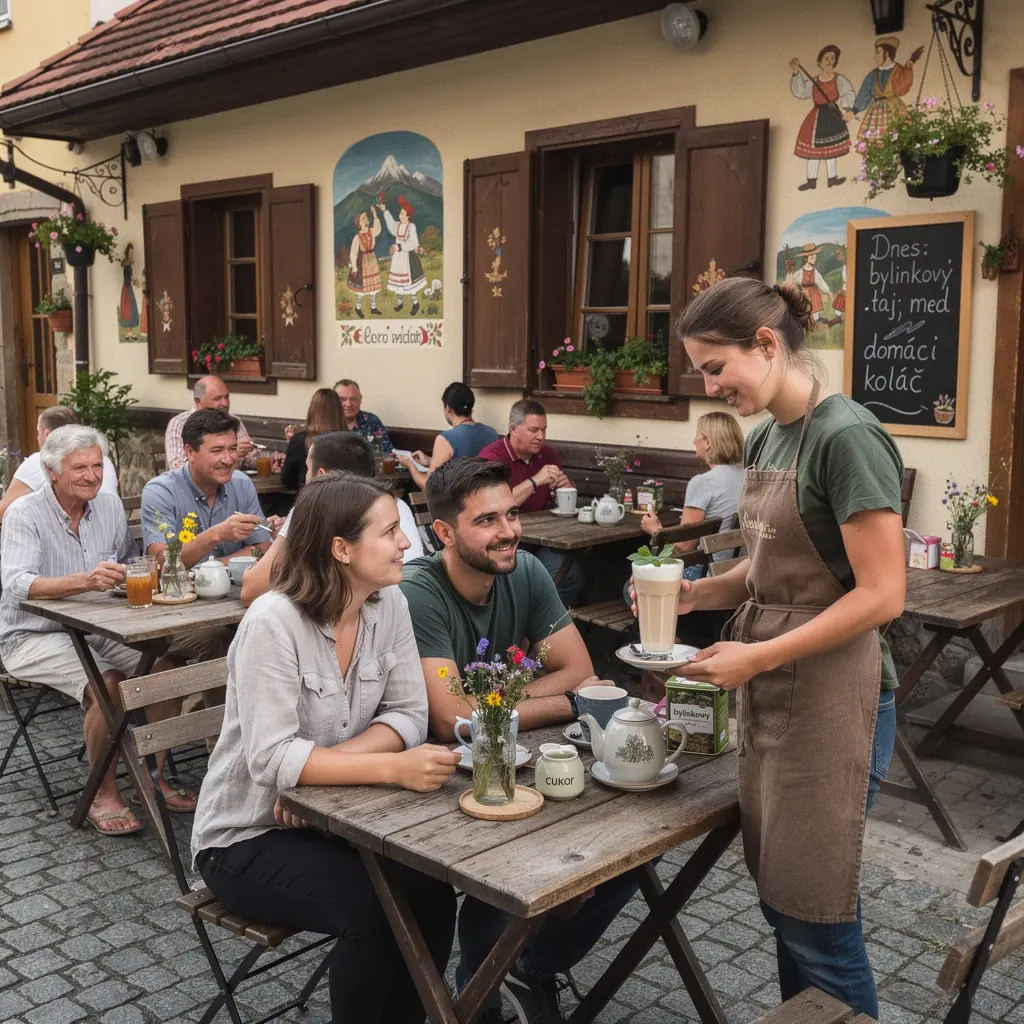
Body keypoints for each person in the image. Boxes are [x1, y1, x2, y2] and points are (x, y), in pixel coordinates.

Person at [649, 276, 905, 1017]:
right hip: (779, 690)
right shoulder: (768, 435)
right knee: (783, 906)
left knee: (818, 915)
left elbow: (883, 594)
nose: (709, 385)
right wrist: (698, 593)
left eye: (714, 366)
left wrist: (757, 656)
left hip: (838, 696)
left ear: (766, 344)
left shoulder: (845, 437)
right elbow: (763, 571)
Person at [191, 472, 460, 1024]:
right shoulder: (274, 621)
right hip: (247, 836)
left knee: (433, 891)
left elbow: (409, 714)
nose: (406, 543)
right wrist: (390, 769)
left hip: (336, 820)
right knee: (375, 911)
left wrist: (318, 779)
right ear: (341, 548)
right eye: (389, 532)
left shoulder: (390, 605)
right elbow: (270, 761)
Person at [400, 458, 636, 1024]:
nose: (507, 530)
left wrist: (502, 701)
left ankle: (533, 968)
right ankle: (477, 1002)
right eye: (486, 521)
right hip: (435, 783)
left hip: (520, 763)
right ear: (445, 533)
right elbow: (450, 717)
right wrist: (567, 702)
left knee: (625, 862)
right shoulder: (418, 591)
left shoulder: (525, 570)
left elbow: (579, 667)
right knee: (503, 875)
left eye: (510, 514)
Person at [0, 426, 196, 835]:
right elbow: (17, 585)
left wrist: (128, 574)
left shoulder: (107, 507)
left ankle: (153, 776)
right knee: (107, 684)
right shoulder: (25, 513)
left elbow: (128, 560)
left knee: (170, 668)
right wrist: (84, 581)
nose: (92, 476)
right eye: (80, 468)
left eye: (97, 466)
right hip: (33, 633)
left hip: (99, 626)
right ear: (52, 472)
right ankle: (103, 791)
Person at [242, 431, 423, 605]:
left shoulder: (315, 509)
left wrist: (289, 529)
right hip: (415, 605)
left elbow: (252, 589)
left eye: (307, 468)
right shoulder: (396, 504)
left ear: (321, 476)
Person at [477, 400, 582, 605]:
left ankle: (545, 627)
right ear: (513, 429)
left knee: (572, 575)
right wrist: (535, 481)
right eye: (534, 430)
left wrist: (565, 486)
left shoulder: (547, 454)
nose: (540, 437)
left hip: (544, 539)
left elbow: (561, 496)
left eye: (543, 430)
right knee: (545, 577)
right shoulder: (492, 457)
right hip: (504, 541)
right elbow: (492, 506)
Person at [144, 410, 272, 569]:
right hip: (180, 593)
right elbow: (161, 562)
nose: (228, 459)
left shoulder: (241, 484)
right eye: (217, 451)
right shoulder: (160, 491)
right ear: (190, 452)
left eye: (232, 449)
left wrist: (208, 568)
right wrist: (216, 534)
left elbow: (262, 548)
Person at [638, 411, 745, 580]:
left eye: (697, 434)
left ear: (708, 442)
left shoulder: (702, 483)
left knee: (629, 587)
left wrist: (656, 530)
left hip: (707, 575)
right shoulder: (748, 476)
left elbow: (683, 547)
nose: (694, 440)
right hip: (740, 573)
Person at [0, 406, 119, 523]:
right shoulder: (103, 459)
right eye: (80, 467)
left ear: (47, 434)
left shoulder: (38, 460)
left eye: (38, 432)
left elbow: (4, 512)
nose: (91, 477)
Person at [397, 381, 499, 490]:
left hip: (457, 503)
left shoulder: (446, 439)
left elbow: (430, 487)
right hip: (487, 500)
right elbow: (465, 466)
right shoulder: (492, 434)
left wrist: (410, 466)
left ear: (447, 408)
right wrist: (430, 461)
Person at [165, 376, 274, 473]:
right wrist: (230, 452)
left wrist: (272, 460)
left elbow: (248, 460)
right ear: (198, 402)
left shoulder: (232, 420)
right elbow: (177, 467)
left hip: (232, 488)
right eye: (218, 398)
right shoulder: (179, 424)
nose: (225, 403)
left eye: (226, 397)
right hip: (191, 492)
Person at [788, 45, 855, 190]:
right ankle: (811, 180)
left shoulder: (839, 79)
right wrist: (795, 72)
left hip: (832, 115)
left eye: (832, 58)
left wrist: (848, 109)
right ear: (819, 62)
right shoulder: (814, 81)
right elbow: (800, 92)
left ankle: (832, 178)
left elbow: (847, 93)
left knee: (831, 148)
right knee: (814, 150)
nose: (829, 60)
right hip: (817, 116)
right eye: (826, 57)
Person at [851, 36, 924, 141]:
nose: (875, 57)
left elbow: (903, 88)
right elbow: (864, 93)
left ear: (887, 54)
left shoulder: (897, 70)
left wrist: (908, 68)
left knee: (898, 137)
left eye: (878, 53)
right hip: (876, 112)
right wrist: (854, 110)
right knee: (875, 140)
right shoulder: (873, 74)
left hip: (894, 108)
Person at [279, 387, 345, 491]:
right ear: (340, 411)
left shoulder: (300, 440)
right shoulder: (353, 440)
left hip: (310, 501)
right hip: (347, 500)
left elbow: (287, 479)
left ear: (312, 410)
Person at [378, 195, 426, 314]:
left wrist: (399, 246)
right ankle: (400, 303)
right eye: (400, 213)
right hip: (398, 259)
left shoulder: (411, 227)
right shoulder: (398, 225)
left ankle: (415, 304)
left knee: (410, 283)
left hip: (407, 259)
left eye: (402, 213)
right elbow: (391, 225)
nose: (400, 215)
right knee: (398, 283)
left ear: (408, 216)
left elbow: (414, 243)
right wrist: (385, 211)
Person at [333, 378, 393, 453]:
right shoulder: (326, 423)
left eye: (353, 399)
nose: (348, 404)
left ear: (360, 399)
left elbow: (388, 453)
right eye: (343, 399)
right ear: (333, 401)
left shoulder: (371, 421)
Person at [348, 208, 383, 318]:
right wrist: (354, 267)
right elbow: (353, 253)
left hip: (372, 260)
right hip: (362, 263)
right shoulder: (357, 237)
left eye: (366, 217)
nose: (366, 219)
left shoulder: (371, 231)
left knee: (373, 288)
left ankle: (373, 308)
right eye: (363, 218)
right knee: (361, 288)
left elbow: (378, 229)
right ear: (359, 222)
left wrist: (375, 214)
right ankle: (358, 307)